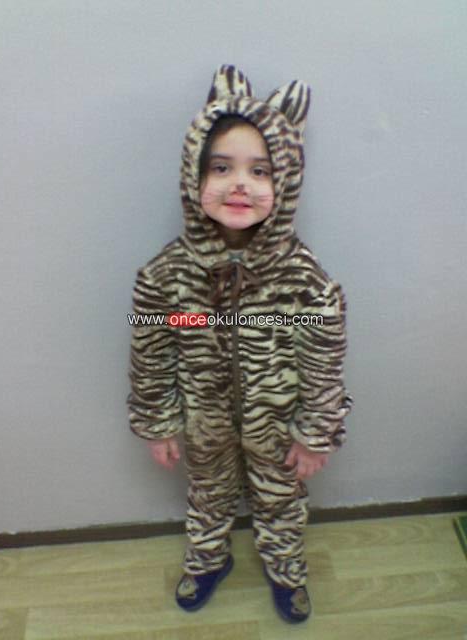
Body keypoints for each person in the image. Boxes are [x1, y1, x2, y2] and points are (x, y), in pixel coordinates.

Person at [127, 64, 353, 624]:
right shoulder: (164, 276)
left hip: (276, 429)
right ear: (194, 175)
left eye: (260, 171)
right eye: (221, 167)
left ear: (285, 183)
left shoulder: (306, 283)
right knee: (207, 494)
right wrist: (158, 422)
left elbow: (324, 363)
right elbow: (150, 355)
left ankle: (285, 567)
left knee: (281, 500)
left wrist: (315, 433)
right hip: (204, 424)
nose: (239, 184)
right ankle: (209, 558)